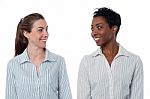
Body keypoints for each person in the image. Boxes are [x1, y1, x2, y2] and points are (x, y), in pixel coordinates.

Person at [77, 7, 143, 99]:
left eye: (99, 27)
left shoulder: (134, 61)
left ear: (114, 29)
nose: (94, 33)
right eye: (92, 29)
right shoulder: (87, 62)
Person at [6, 13, 72, 99]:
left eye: (46, 29)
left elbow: (66, 96)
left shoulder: (58, 61)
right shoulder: (13, 65)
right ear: (26, 33)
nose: (46, 34)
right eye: (40, 30)